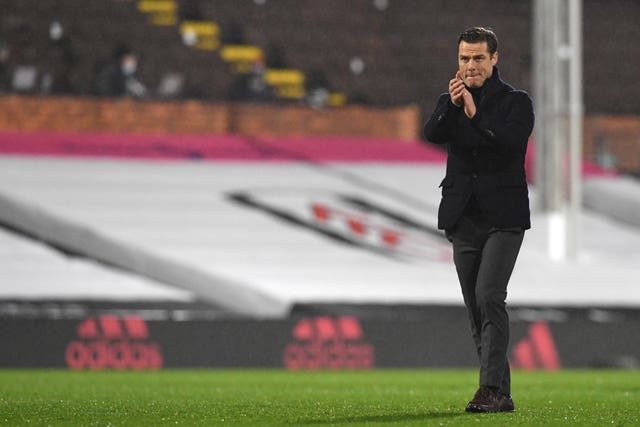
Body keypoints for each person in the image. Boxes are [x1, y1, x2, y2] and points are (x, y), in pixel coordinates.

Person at [423, 27, 534, 413]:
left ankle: (488, 388)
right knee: (475, 307)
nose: (470, 66)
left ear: (494, 59)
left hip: (504, 217)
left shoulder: (516, 102)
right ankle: (499, 394)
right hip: (463, 217)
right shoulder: (450, 100)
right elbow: (431, 133)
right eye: (464, 59)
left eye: (477, 58)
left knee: (490, 296)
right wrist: (452, 107)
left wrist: (475, 113)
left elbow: (510, 145)